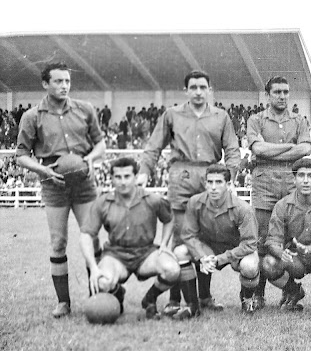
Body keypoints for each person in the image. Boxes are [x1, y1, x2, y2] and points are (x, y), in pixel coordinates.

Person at [138, 70, 241, 316]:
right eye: (193, 87)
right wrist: (144, 172)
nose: (197, 91)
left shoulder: (221, 116)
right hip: (181, 176)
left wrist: (232, 177)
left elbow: (232, 149)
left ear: (209, 89)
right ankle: (175, 299)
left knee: (204, 238)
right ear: (186, 90)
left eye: (202, 87)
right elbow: (154, 146)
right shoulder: (172, 114)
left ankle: (204, 297)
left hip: (210, 177)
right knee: (181, 238)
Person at [15, 62, 106, 318]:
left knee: (93, 238)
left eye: (67, 81)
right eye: (58, 81)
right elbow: (21, 155)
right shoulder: (32, 116)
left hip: (84, 183)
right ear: (45, 84)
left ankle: (96, 294)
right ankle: (63, 302)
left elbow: (100, 145)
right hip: (53, 184)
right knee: (58, 242)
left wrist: (89, 160)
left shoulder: (85, 109)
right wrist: (43, 171)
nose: (64, 86)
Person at [79, 157, 179, 319]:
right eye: (118, 177)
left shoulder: (152, 199)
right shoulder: (103, 203)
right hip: (116, 255)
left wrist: (164, 244)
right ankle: (118, 294)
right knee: (103, 281)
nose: (123, 182)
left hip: (146, 253)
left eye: (127, 176)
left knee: (172, 269)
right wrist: (93, 268)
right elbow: (86, 235)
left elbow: (169, 219)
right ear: (111, 178)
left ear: (135, 177)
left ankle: (150, 299)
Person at [246, 76, 311, 309]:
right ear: (268, 95)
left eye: (286, 92)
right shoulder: (256, 119)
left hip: (291, 183)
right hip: (264, 183)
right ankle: (259, 293)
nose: (282, 96)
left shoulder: (299, 120)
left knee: (289, 238)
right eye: (277, 92)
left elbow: (305, 148)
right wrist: (289, 148)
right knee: (263, 240)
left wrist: (271, 151)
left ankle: (290, 291)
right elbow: (257, 148)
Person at [172, 164, 260, 318]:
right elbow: (188, 235)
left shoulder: (243, 208)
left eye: (218, 182)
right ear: (205, 183)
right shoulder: (195, 202)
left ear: (228, 184)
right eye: (210, 182)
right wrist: (202, 256)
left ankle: (247, 299)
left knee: (250, 265)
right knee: (180, 252)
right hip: (208, 248)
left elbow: (250, 243)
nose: (213, 187)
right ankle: (194, 304)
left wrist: (221, 258)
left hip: (235, 250)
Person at [262, 158, 311, 316]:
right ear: (294, 179)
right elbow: (272, 240)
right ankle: (293, 291)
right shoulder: (282, 205)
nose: (305, 181)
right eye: (301, 175)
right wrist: (280, 253)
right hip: (295, 258)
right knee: (268, 263)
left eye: (310, 176)